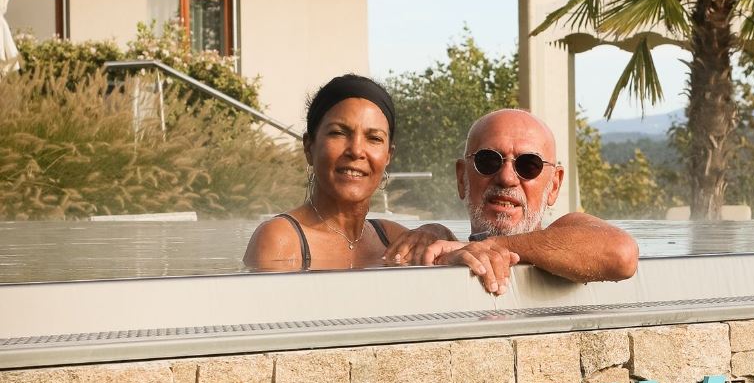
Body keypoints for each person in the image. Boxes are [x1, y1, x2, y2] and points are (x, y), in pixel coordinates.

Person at [244, 74, 517, 292]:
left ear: (388, 156)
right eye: (339, 133)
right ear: (309, 146)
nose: (356, 150)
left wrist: (438, 232)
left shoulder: (393, 238)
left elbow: (463, 260)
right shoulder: (281, 239)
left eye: (374, 138)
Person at [414, 108, 638, 290]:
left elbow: (622, 255)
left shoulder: (571, 233)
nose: (506, 178)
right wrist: (433, 241)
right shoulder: (438, 245)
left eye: (529, 165)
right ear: (461, 178)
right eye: (488, 161)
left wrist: (492, 245)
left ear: (554, 185)